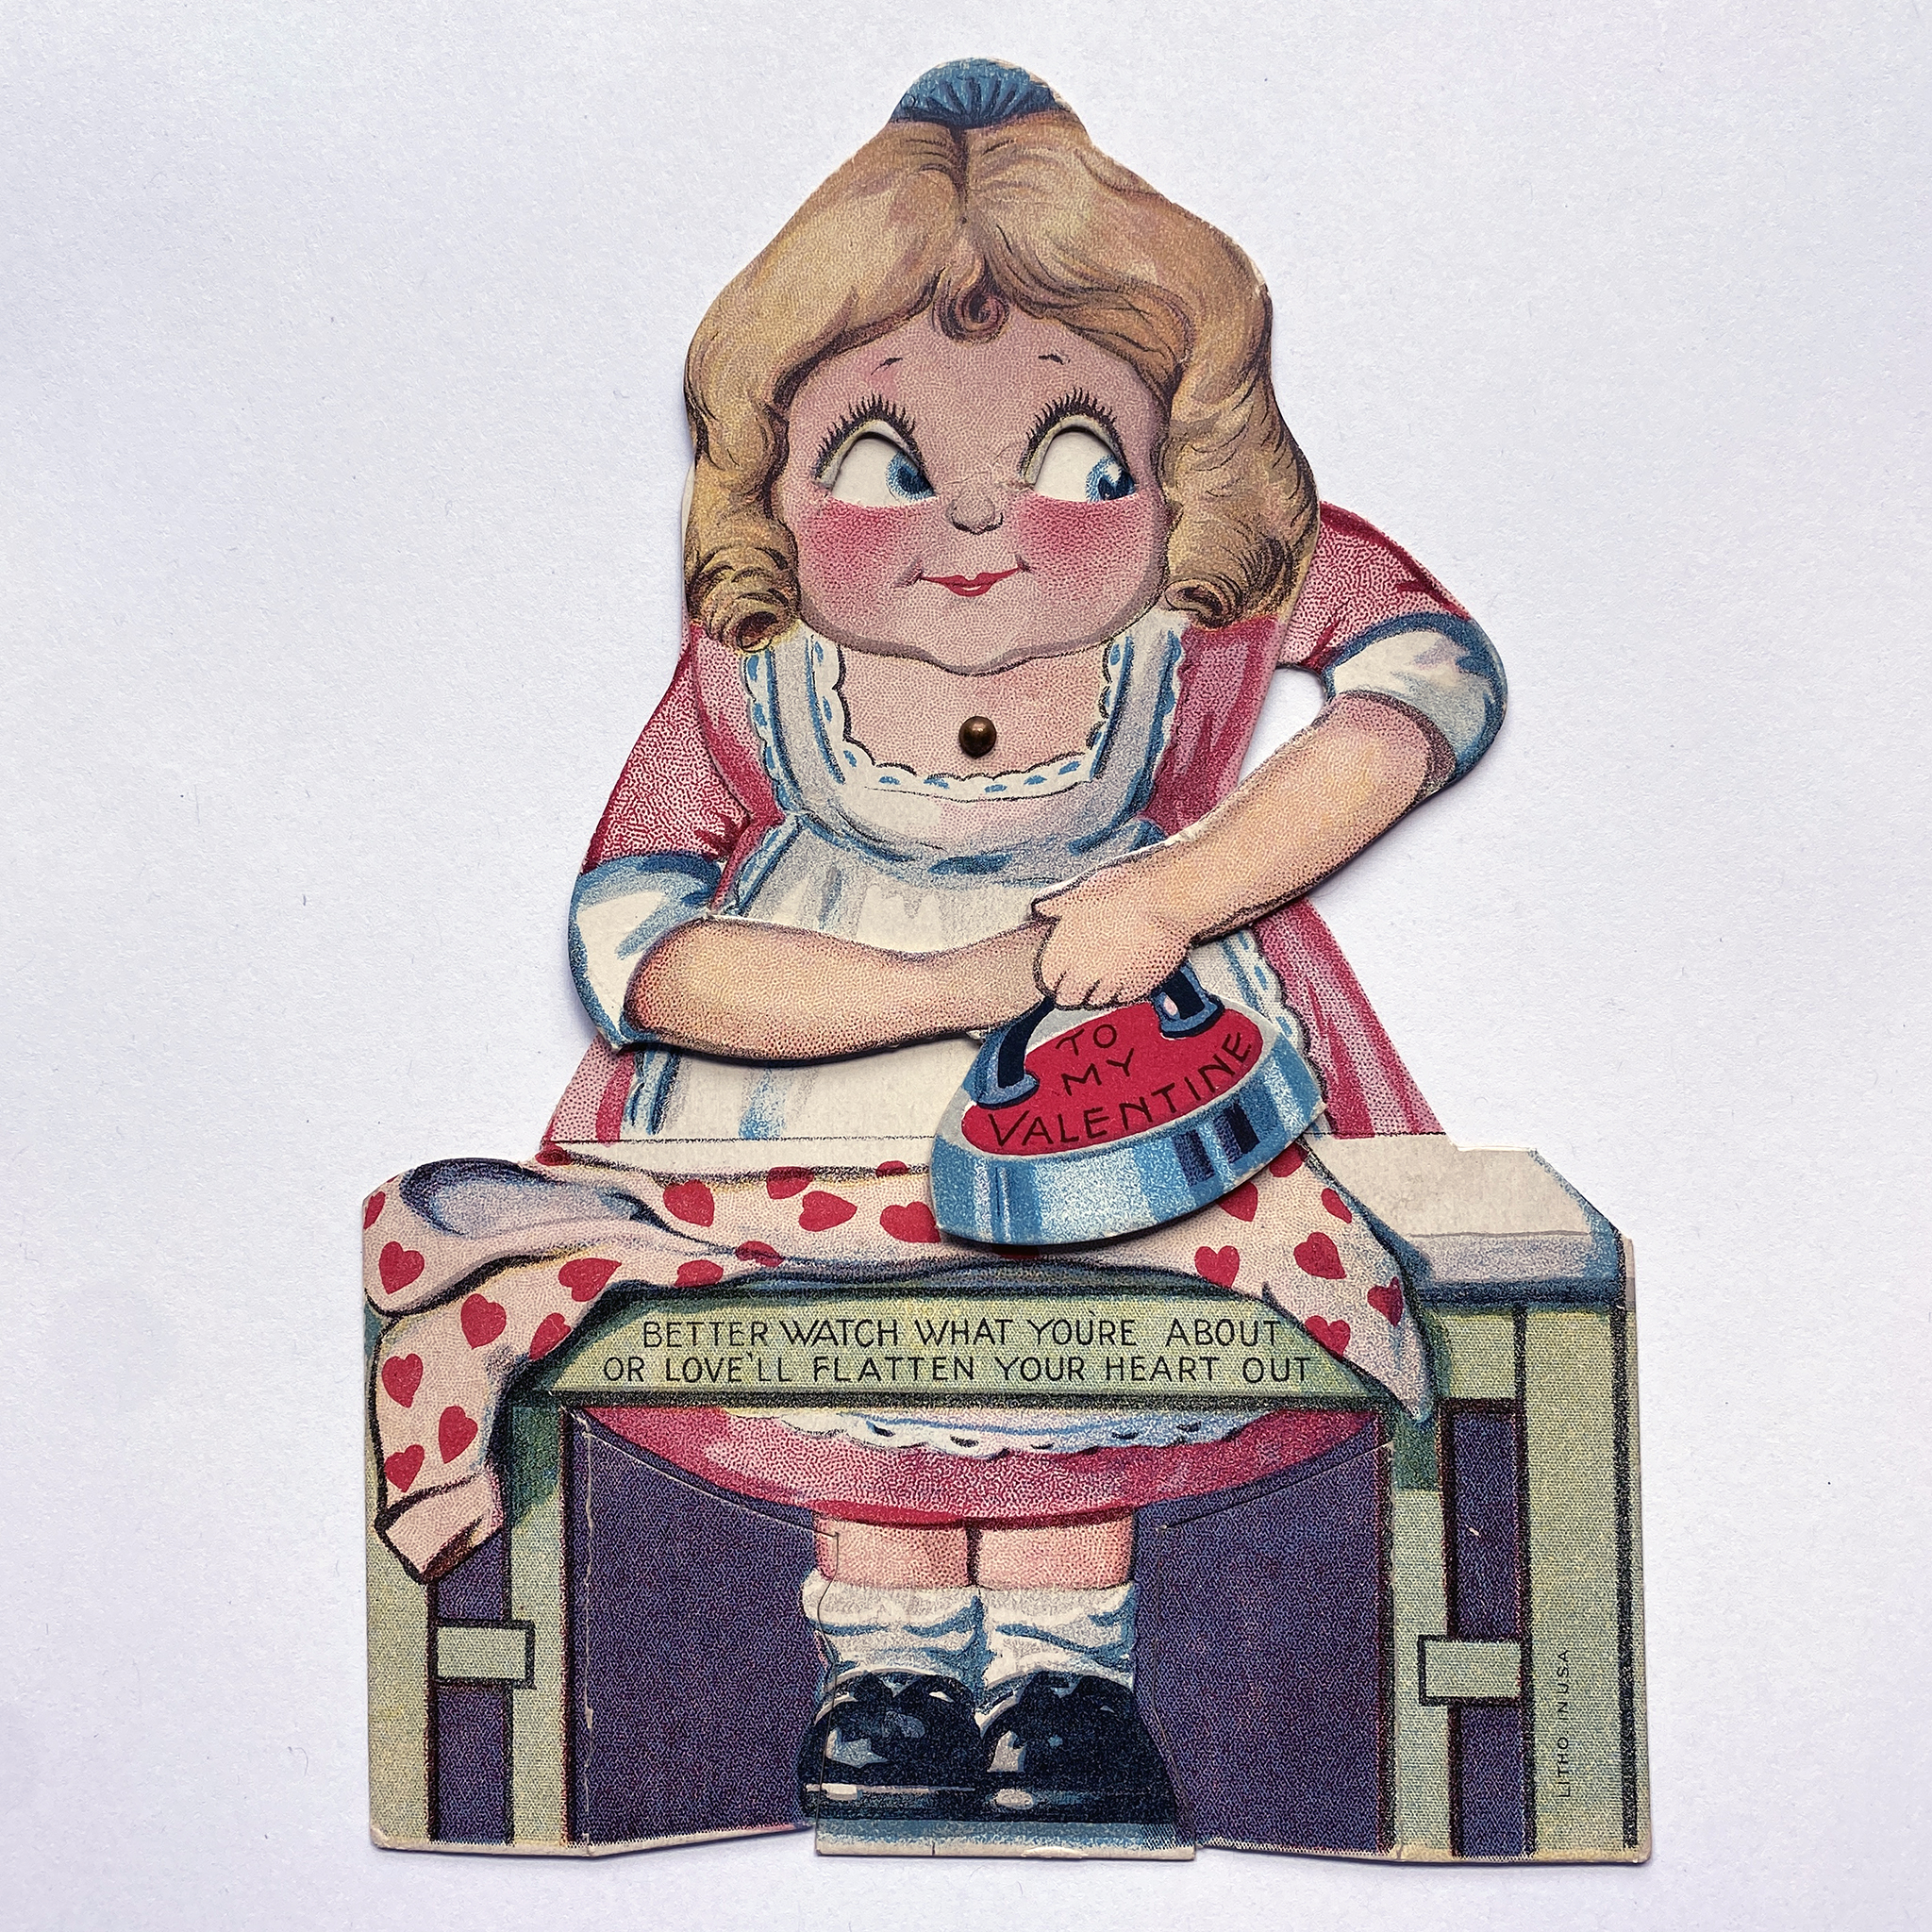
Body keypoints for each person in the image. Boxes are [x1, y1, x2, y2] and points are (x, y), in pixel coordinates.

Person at [362, 58, 1506, 1826]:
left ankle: (1066, 1676)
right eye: (886, 463)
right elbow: (634, 939)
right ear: (773, 473)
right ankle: (884, 1670)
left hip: (1144, 1069)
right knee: (874, 1364)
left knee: (1080, 1355)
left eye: (1072, 456)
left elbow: (1431, 676)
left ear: (1182, 464)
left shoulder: (1199, 615)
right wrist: (950, 991)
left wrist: (1180, 892)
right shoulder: (752, 667)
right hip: (810, 1088)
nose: (978, 521)